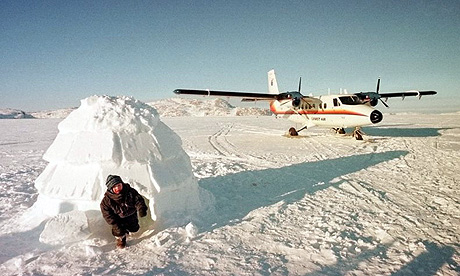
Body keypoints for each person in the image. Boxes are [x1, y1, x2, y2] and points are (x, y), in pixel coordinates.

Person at [100, 175, 148, 249]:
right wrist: (114, 223)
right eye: (114, 187)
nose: (117, 188)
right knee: (118, 230)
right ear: (110, 188)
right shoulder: (107, 200)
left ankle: (127, 230)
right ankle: (121, 238)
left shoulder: (130, 192)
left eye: (119, 185)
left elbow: (138, 200)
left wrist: (142, 208)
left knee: (134, 229)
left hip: (131, 214)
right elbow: (107, 213)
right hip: (117, 218)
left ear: (122, 184)